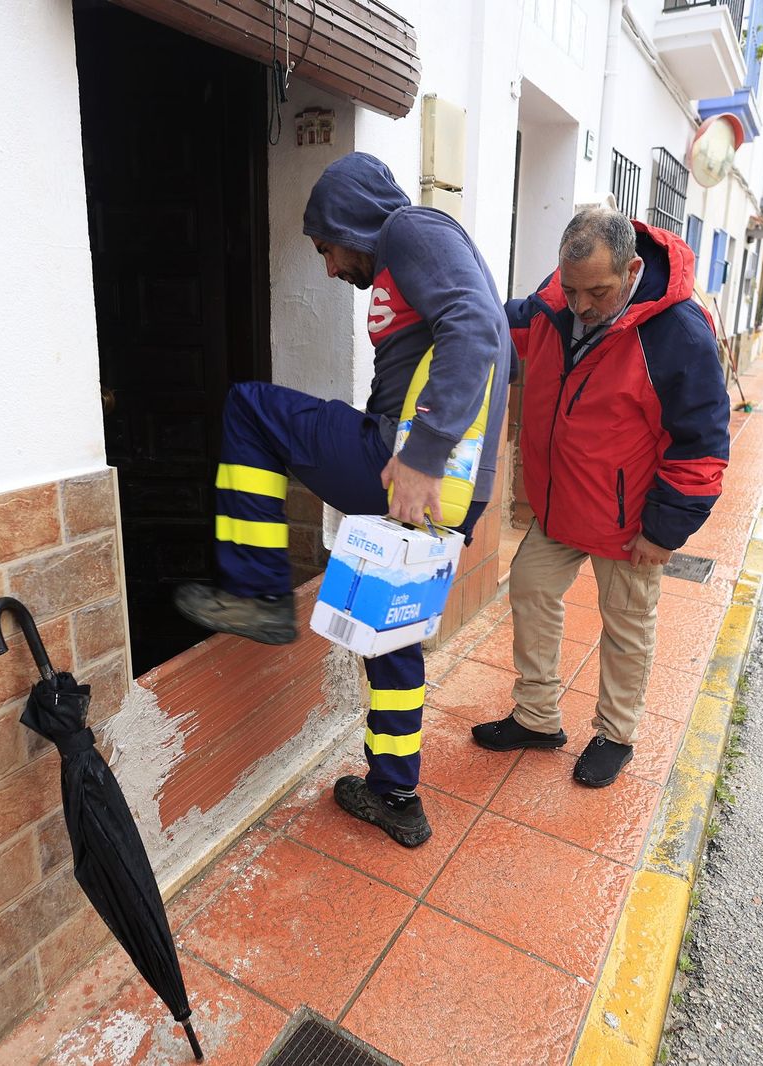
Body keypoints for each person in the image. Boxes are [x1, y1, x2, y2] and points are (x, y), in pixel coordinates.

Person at [174, 152, 511, 846]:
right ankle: (396, 793)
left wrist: (420, 457)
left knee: (248, 408)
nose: (329, 268)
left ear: (351, 221)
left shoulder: (412, 231)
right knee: (387, 635)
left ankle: (257, 592)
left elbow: (477, 330)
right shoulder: (415, 256)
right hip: (449, 487)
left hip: (411, 465)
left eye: (325, 248)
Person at [471, 208, 729, 787]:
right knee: (533, 588)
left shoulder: (678, 332)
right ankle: (537, 717)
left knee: (627, 626)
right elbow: (493, 327)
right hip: (561, 506)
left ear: (633, 269)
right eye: (570, 289)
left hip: (631, 518)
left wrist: (665, 531)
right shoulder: (552, 306)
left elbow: (702, 442)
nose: (581, 306)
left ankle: (616, 734)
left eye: (597, 292)